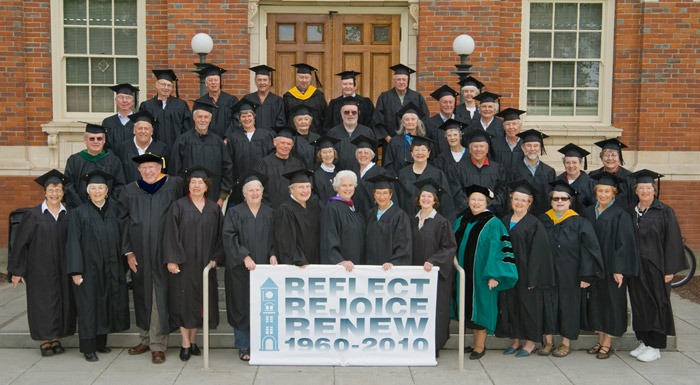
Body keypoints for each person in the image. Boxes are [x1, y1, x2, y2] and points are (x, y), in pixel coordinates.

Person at [118, 153, 184, 364]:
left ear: (159, 168)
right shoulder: (130, 190)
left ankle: (158, 344)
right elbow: (123, 222)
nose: (148, 172)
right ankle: (145, 338)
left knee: (158, 295)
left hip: (164, 250)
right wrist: (128, 251)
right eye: (144, 168)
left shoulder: (173, 185)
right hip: (139, 252)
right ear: (139, 171)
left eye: (152, 167)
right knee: (141, 294)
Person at [8, 170, 76, 357]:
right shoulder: (33, 215)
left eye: (58, 190)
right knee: (42, 303)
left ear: (63, 193)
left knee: (62, 300)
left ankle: (57, 337)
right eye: (51, 190)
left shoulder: (69, 215)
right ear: (45, 192)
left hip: (63, 267)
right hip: (39, 268)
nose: (55, 194)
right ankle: (45, 340)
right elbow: (20, 244)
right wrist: (17, 270)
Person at [66, 170, 129, 362]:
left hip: (111, 266)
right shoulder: (78, 213)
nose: (97, 191)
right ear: (87, 191)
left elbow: (124, 235)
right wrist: (76, 271)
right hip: (88, 269)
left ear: (107, 191)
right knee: (89, 306)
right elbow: (73, 243)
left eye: (101, 187)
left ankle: (101, 342)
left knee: (106, 303)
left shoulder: (116, 210)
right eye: (93, 188)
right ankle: (88, 347)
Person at [163, 166, 224, 362]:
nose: (196, 185)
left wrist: (215, 257)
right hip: (184, 264)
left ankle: (194, 339)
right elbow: (171, 234)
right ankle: (185, 343)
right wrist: (172, 259)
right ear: (188, 185)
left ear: (207, 187)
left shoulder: (214, 208)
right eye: (193, 182)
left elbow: (220, 237)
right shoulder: (178, 206)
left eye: (200, 183)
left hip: (205, 264)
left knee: (200, 303)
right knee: (184, 302)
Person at [626, 169, 687, 363]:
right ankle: (644, 340)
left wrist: (670, 269)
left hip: (657, 267)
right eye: (641, 188)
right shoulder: (630, 211)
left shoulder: (665, 211)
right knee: (639, 303)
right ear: (636, 190)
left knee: (657, 303)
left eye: (648, 188)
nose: (645, 191)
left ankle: (656, 345)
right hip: (636, 267)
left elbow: (673, 240)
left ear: (654, 189)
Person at [539, 180, 604, 358]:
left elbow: (589, 250)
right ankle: (548, 341)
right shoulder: (543, 220)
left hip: (571, 273)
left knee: (568, 306)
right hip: (547, 272)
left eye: (564, 198)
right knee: (547, 305)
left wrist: (586, 274)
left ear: (570, 201)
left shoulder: (580, 222)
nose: (560, 201)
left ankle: (565, 343)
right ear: (551, 201)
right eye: (556, 198)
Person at [453, 185, 518, 360]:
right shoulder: (462, 220)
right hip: (463, 275)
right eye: (473, 199)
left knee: (481, 308)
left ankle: (480, 346)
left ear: (486, 203)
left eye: (480, 200)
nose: (476, 203)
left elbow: (499, 249)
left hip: (482, 275)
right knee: (468, 309)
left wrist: (494, 275)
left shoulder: (493, 223)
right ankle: (474, 343)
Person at [581, 172, 638, 359]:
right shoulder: (589, 212)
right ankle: (600, 339)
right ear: (596, 192)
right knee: (596, 302)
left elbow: (624, 244)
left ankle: (608, 343)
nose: (603, 195)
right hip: (594, 266)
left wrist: (619, 269)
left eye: (607, 191)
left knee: (611, 303)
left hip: (612, 267)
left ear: (614, 193)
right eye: (600, 191)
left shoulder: (621, 214)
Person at [495, 180, 554, 357]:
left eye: (523, 200)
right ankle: (515, 341)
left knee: (528, 308)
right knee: (511, 306)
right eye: (516, 199)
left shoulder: (534, 224)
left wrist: (533, 278)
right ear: (511, 200)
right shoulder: (504, 221)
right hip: (508, 273)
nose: (519, 203)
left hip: (527, 274)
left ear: (529, 203)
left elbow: (540, 253)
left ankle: (529, 343)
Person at [223, 170, 276, 361]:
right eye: (250, 191)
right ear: (244, 194)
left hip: (264, 270)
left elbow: (276, 239)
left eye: (257, 190)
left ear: (262, 192)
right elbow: (228, 237)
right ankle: (244, 345)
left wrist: (273, 254)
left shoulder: (271, 212)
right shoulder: (234, 212)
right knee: (241, 305)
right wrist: (243, 256)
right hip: (240, 270)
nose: (254, 194)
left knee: (264, 306)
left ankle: (263, 342)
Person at [410, 179, 457, 355]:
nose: (426, 199)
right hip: (415, 273)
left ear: (435, 200)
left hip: (434, 275)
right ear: (419, 198)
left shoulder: (442, 222)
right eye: (423, 196)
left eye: (429, 196)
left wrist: (434, 261)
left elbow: (449, 247)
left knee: (436, 308)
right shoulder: (412, 219)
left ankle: (435, 345)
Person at [169, 100, 233, 207]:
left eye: (206, 117)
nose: (202, 120)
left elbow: (227, 168)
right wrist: (181, 196)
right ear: (194, 118)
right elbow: (175, 170)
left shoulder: (218, 142)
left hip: (213, 197)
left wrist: (222, 197)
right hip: (187, 197)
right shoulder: (182, 140)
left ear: (210, 119)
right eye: (199, 117)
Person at [63, 122, 126, 209]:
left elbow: (120, 186)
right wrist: (80, 208)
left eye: (99, 139)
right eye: (91, 139)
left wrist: (107, 207)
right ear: (85, 140)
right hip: (79, 211)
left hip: (107, 213)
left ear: (104, 140)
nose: (96, 142)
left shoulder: (114, 161)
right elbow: (68, 185)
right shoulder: (74, 160)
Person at [226, 98, 275, 205]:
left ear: (254, 118)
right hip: (240, 183)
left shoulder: (266, 135)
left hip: (263, 182)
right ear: (239, 119)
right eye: (243, 116)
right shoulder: (234, 138)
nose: (246, 119)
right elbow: (229, 162)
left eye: (249, 116)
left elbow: (271, 159)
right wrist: (230, 184)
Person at [447, 129, 507, 215]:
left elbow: (501, 192)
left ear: (487, 149)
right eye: (475, 146)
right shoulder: (458, 168)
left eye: (482, 146)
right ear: (470, 150)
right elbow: (457, 193)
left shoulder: (498, 169)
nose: (478, 150)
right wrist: (472, 208)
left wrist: (486, 208)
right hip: (467, 215)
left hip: (490, 214)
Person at [396, 136, 455, 222]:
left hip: (431, 222)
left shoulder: (437, 174)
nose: (420, 153)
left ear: (428, 153)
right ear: (411, 153)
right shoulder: (403, 174)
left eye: (423, 150)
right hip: (407, 221)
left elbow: (446, 202)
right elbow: (398, 199)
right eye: (416, 150)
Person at [372, 64, 429, 147]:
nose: (401, 82)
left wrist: (417, 137)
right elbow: (378, 120)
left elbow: (424, 118)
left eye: (404, 79)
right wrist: (388, 138)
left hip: (413, 142)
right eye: (398, 79)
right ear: (394, 81)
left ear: (408, 81)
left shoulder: (417, 97)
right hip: (390, 142)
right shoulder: (385, 97)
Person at [273, 168, 321, 266]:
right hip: (297, 265)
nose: (305, 190)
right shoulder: (285, 209)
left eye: (308, 187)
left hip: (315, 263)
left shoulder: (315, 207)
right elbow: (285, 241)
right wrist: (298, 260)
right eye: (301, 187)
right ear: (291, 189)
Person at [363, 174, 412, 268]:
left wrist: (394, 262)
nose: (381, 197)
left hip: (389, 268)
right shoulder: (371, 214)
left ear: (391, 194)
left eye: (385, 193)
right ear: (373, 194)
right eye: (378, 193)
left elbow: (404, 244)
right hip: (370, 267)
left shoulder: (399, 215)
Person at [320, 170, 366, 270]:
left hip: (356, 266)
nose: (348, 189)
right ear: (336, 187)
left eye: (350, 185)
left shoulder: (353, 208)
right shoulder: (332, 208)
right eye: (344, 185)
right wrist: (339, 260)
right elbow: (329, 238)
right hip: (342, 268)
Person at [139, 69, 193, 151]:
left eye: (169, 85)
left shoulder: (181, 105)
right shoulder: (146, 106)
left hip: (176, 149)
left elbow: (187, 129)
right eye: (163, 84)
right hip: (153, 150)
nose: (166, 88)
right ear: (156, 85)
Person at [254, 125, 306, 210]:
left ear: (292, 146)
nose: (285, 146)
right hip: (270, 210)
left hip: (293, 210)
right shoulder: (264, 163)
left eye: (289, 144)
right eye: (282, 143)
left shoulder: (298, 164)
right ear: (275, 142)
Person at [506, 129, 556, 215]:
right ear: (523, 148)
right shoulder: (513, 170)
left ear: (540, 148)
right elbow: (508, 195)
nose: (532, 149)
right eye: (529, 146)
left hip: (544, 216)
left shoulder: (549, 171)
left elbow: (553, 196)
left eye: (536, 146)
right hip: (520, 216)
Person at [115, 110, 169, 184]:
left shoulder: (161, 148)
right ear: (134, 130)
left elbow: (166, 172)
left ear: (152, 132)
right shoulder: (124, 147)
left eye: (146, 128)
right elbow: (119, 173)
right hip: (129, 192)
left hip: (155, 192)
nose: (143, 131)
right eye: (140, 128)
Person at [326, 97, 377, 171]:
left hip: (362, 175)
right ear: (341, 113)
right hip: (339, 176)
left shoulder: (367, 132)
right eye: (346, 112)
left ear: (358, 113)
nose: (350, 114)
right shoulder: (333, 133)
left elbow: (374, 157)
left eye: (354, 112)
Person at [383, 102, 428, 176]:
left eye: (413, 119)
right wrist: (397, 179)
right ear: (403, 123)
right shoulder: (394, 142)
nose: (410, 122)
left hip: (420, 180)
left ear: (417, 122)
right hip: (399, 181)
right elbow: (388, 164)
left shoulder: (425, 141)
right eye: (407, 119)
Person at [351, 135, 392, 216]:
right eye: (359, 152)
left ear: (372, 155)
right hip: (354, 217)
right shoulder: (352, 172)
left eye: (366, 152)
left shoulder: (381, 173)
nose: (362, 155)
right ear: (356, 155)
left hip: (374, 217)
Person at [194, 64, 238, 140]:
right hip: (206, 142)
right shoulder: (200, 102)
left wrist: (227, 138)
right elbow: (195, 123)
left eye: (216, 80)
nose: (213, 82)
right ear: (206, 83)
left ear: (220, 82)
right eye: (210, 80)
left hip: (227, 143)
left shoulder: (231, 100)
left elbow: (236, 121)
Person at [283, 63, 327, 135]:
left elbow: (324, 117)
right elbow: (285, 117)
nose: (304, 80)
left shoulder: (318, 96)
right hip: (294, 136)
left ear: (311, 79)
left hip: (315, 134)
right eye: (301, 77)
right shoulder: (288, 96)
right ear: (297, 78)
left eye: (306, 77)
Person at [589, 138, 635, 207]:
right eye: (607, 155)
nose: (610, 158)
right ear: (601, 158)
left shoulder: (629, 178)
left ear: (619, 157)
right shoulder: (593, 176)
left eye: (614, 155)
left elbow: (633, 202)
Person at [244, 65, 286, 132]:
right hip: (252, 139)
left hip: (272, 139)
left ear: (269, 82)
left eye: (265, 80)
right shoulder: (248, 99)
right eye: (259, 80)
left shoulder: (278, 101)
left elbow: (280, 123)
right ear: (255, 81)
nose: (262, 83)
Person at [556, 143, 596, 214]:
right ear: (564, 164)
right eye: (567, 162)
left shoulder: (591, 183)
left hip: (583, 222)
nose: (571, 166)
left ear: (581, 164)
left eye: (574, 162)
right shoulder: (557, 181)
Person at [424, 85, 461, 156]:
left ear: (454, 104)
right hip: (437, 163)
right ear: (439, 104)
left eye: (451, 102)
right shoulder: (429, 123)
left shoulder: (461, 122)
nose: (448, 105)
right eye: (445, 102)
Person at [103, 83, 138, 151]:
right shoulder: (108, 122)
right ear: (115, 100)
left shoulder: (139, 121)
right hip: (113, 160)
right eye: (121, 97)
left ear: (133, 102)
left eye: (128, 97)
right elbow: (105, 145)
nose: (124, 101)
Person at [311, 135, 341, 205]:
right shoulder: (315, 176)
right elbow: (315, 199)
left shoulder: (339, 174)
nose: (328, 155)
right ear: (320, 155)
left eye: (330, 151)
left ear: (334, 153)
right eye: (324, 152)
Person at [290, 105, 321, 170]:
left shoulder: (317, 138)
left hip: (315, 174)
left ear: (310, 122)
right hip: (298, 174)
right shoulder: (291, 139)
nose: (303, 122)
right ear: (295, 123)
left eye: (306, 119)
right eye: (300, 119)